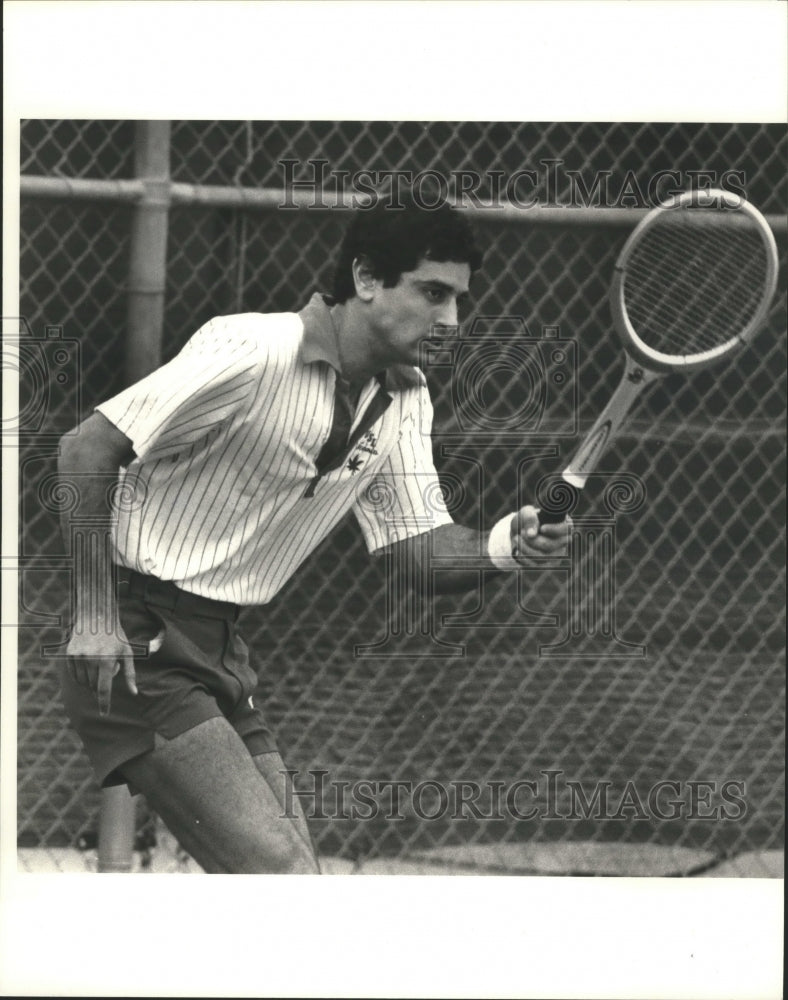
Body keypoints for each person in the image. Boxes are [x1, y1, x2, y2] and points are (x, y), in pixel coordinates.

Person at [58, 195, 568, 874]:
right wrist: (94, 615)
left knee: (299, 879)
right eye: (432, 293)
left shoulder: (406, 398)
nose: (452, 320)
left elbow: (421, 552)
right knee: (282, 879)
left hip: (221, 649)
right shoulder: (251, 348)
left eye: (458, 300)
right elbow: (86, 450)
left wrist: (507, 545)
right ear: (365, 278)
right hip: (137, 639)